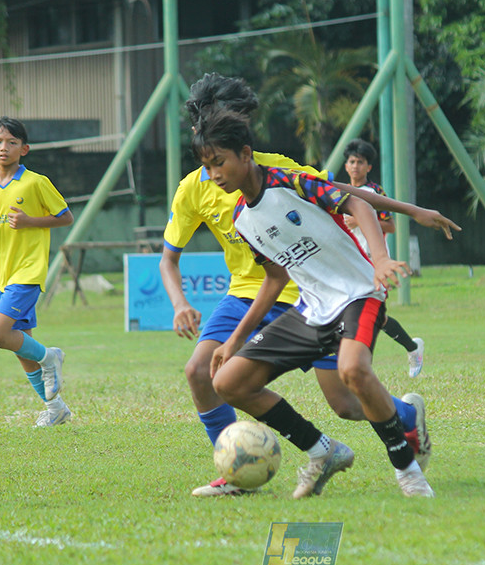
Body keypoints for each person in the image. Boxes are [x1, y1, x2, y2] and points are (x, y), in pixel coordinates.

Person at [162, 74, 454, 497]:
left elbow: (347, 195)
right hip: (270, 299)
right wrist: (198, 316)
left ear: (242, 142)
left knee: (349, 397)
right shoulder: (219, 201)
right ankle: (258, 465)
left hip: (327, 293)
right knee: (209, 375)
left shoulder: (280, 172)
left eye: (219, 158)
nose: (214, 172)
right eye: (207, 160)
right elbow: (260, 273)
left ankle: (406, 434)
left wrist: (406, 219)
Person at [0, 117, 75, 427]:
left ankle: (50, 356)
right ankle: (55, 409)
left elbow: (66, 217)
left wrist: (29, 221)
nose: (4, 148)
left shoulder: (36, 182)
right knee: (21, 346)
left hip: (28, 271)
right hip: (3, 275)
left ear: (24, 149)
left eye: (12, 142)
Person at [343, 138, 425, 378]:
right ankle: (411, 347)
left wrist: (360, 220)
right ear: (346, 166)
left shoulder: (374, 192)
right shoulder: (340, 193)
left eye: (360, 162)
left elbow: (390, 226)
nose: (355, 166)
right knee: (357, 314)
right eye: (352, 161)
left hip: (373, 262)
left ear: (368, 167)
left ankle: (363, 365)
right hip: (349, 261)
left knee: (371, 315)